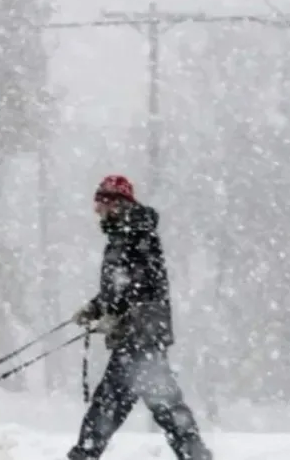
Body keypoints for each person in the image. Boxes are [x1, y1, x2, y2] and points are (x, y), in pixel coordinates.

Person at [67, 175, 213, 460]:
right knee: (164, 407)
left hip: (139, 337)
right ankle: (196, 456)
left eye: (101, 203)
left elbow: (139, 286)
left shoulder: (134, 234)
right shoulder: (125, 234)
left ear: (117, 203)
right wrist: (95, 309)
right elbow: (122, 289)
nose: (97, 210)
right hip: (140, 337)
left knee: (111, 406)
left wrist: (118, 318)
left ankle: (83, 456)